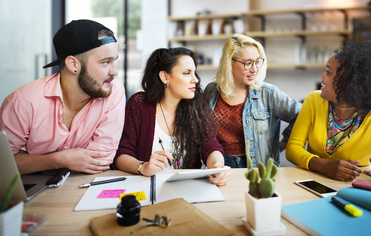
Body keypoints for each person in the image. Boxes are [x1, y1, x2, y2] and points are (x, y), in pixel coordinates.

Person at [0, 19, 126, 175]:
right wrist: (58, 160)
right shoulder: (23, 102)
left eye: (115, 61)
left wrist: (33, 161)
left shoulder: (114, 91)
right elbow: (4, 163)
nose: (114, 72)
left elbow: (99, 161)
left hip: (83, 186)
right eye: (106, 62)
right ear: (73, 65)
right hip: (32, 194)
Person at [286, 40, 371, 182]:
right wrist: (324, 166)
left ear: (349, 83)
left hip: (353, 188)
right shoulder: (313, 100)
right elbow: (293, 148)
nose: (322, 77)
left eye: (328, 72)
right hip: (310, 185)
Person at [113, 47, 230, 186]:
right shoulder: (139, 104)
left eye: (194, 73)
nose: (195, 80)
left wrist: (217, 165)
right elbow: (122, 154)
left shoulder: (197, 106)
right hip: (146, 188)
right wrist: (143, 167)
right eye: (187, 73)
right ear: (165, 77)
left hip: (187, 189)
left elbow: (210, 145)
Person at [203, 34, 302, 168]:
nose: (255, 69)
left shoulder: (268, 93)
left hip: (257, 168)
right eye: (248, 63)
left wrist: (282, 144)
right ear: (229, 63)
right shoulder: (211, 91)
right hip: (218, 165)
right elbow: (204, 132)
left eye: (257, 61)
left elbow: (302, 115)